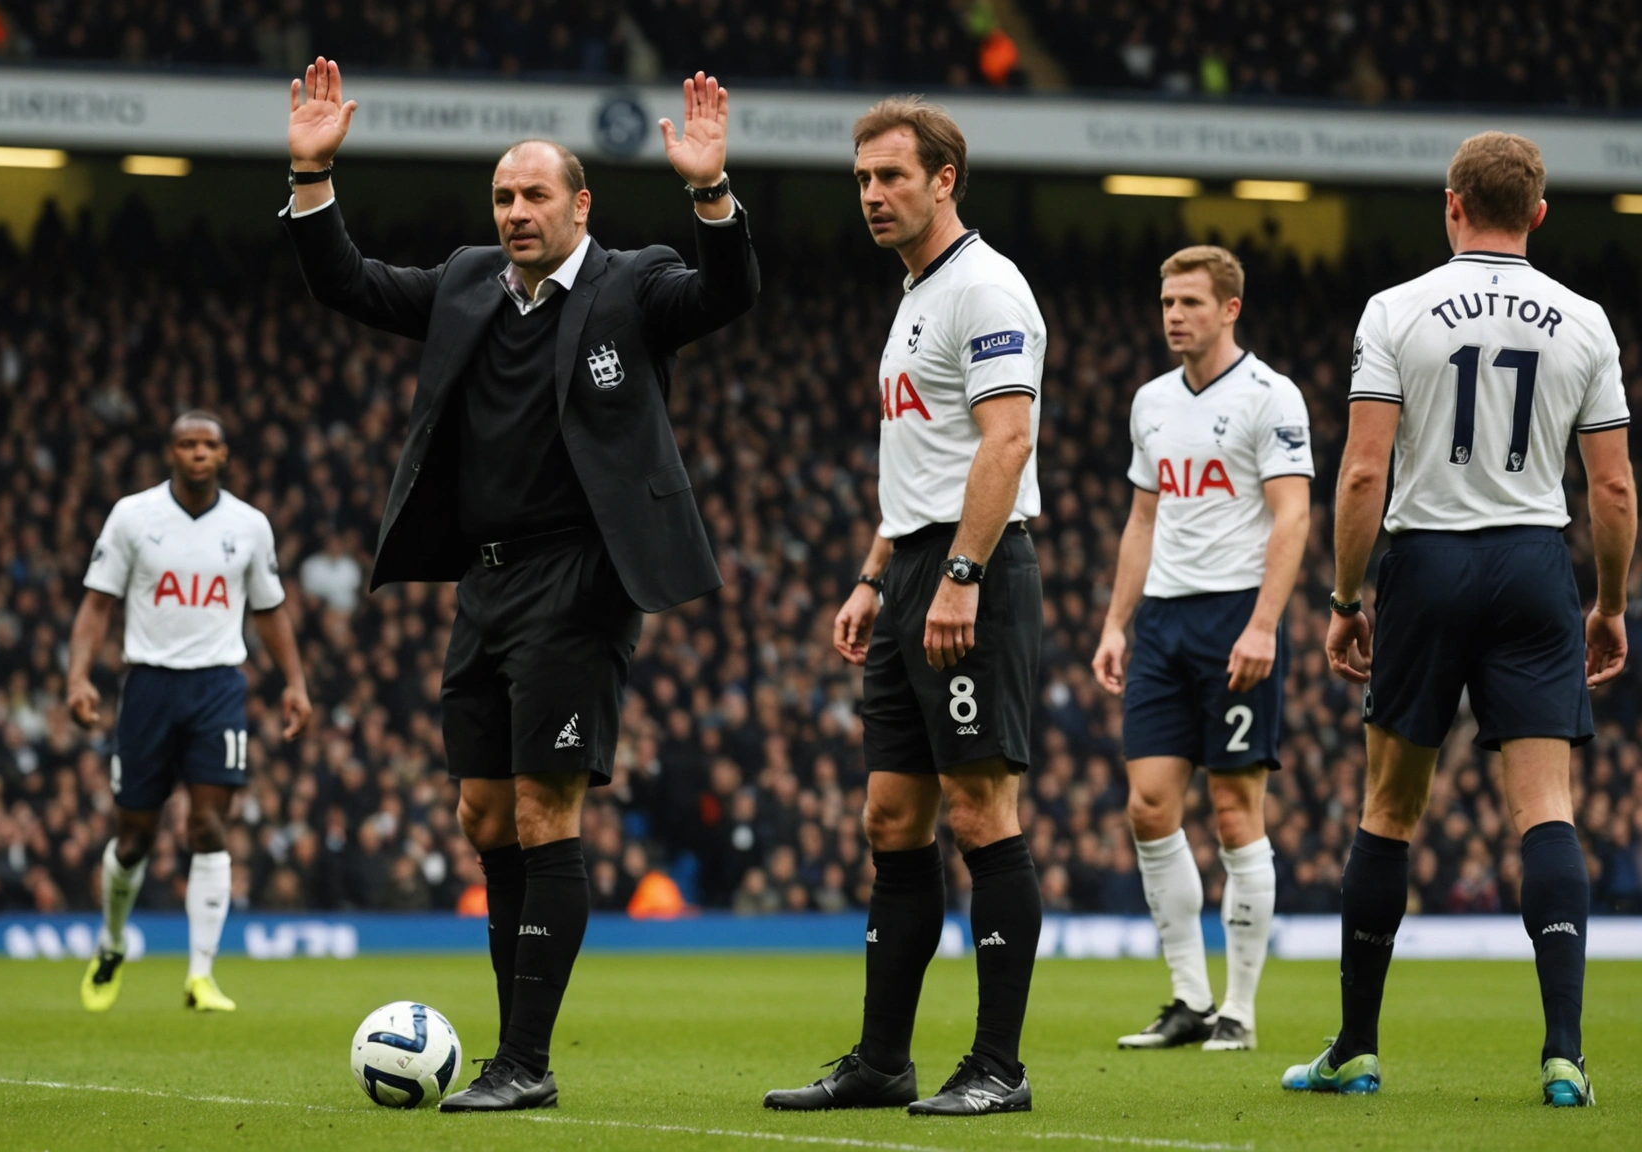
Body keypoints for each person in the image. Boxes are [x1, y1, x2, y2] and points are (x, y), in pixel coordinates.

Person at [281, 58, 758, 1111]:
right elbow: (349, 283)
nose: (516, 212)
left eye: (535, 194)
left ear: (579, 204)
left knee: (545, 809)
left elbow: (727, 293)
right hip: (483, 586)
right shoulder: (464, 282)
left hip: (580, 577)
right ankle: (512, 1048)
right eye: (503, 196)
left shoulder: (631, 282)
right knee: (483, 815)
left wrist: (711, 193)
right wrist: (312, 178)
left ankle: (525, 1062)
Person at [1286, 131, 1631, 1106]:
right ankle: (1564, 1053)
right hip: (1533, 563)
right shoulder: (1586, 321)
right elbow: (1611, 490)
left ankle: (1357, 1047)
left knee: (1388, 809)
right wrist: (1606, 605)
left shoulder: (1396, 311)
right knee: (1547, 810)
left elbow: (1361, 471)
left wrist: (1348, 601)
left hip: (1427, 561)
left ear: (1450, 204)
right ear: (1539, 213)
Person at [763, 96, 1045, 1118]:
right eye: (863, 180)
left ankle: (999, 1067)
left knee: (979, 810)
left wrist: (960, 577)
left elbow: (1005, 444)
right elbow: (924, 466)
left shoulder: (985, 285)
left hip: (977, 573)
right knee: (892, 817)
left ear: (944, 180)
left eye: (892, 177)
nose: (874, 195)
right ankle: (884, 1062)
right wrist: (876, 574)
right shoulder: (916, 294)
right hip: (915, 571)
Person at [1091, 246, 1312, 1053]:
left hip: (1233, 623)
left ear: (1230, 309)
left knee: (1232, 812)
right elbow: (1143, 521)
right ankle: (1187, 997)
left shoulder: (1270, 398)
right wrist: (1116, 623)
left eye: (1190, 301)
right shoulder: (1150, 402)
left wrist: (1263, 624)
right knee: (1149, 806)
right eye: (1167, 302)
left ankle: (1240, 1009)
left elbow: (1292, 518)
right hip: (1160, 623)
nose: (1174, 315)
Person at [67, 411, 313, 1013]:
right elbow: (98, 604)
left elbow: (271, 609)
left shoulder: (250, 526)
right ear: (170, 452)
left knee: (208, 827)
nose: (198, 453)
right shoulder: (133, 517)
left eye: (209, 445)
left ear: (225, 455)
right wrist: (77, 675)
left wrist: (295, 682)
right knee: (135, 840)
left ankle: (200, 975)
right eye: (187, 444)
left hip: (218, 688)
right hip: (147, 685)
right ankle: (113, 941)